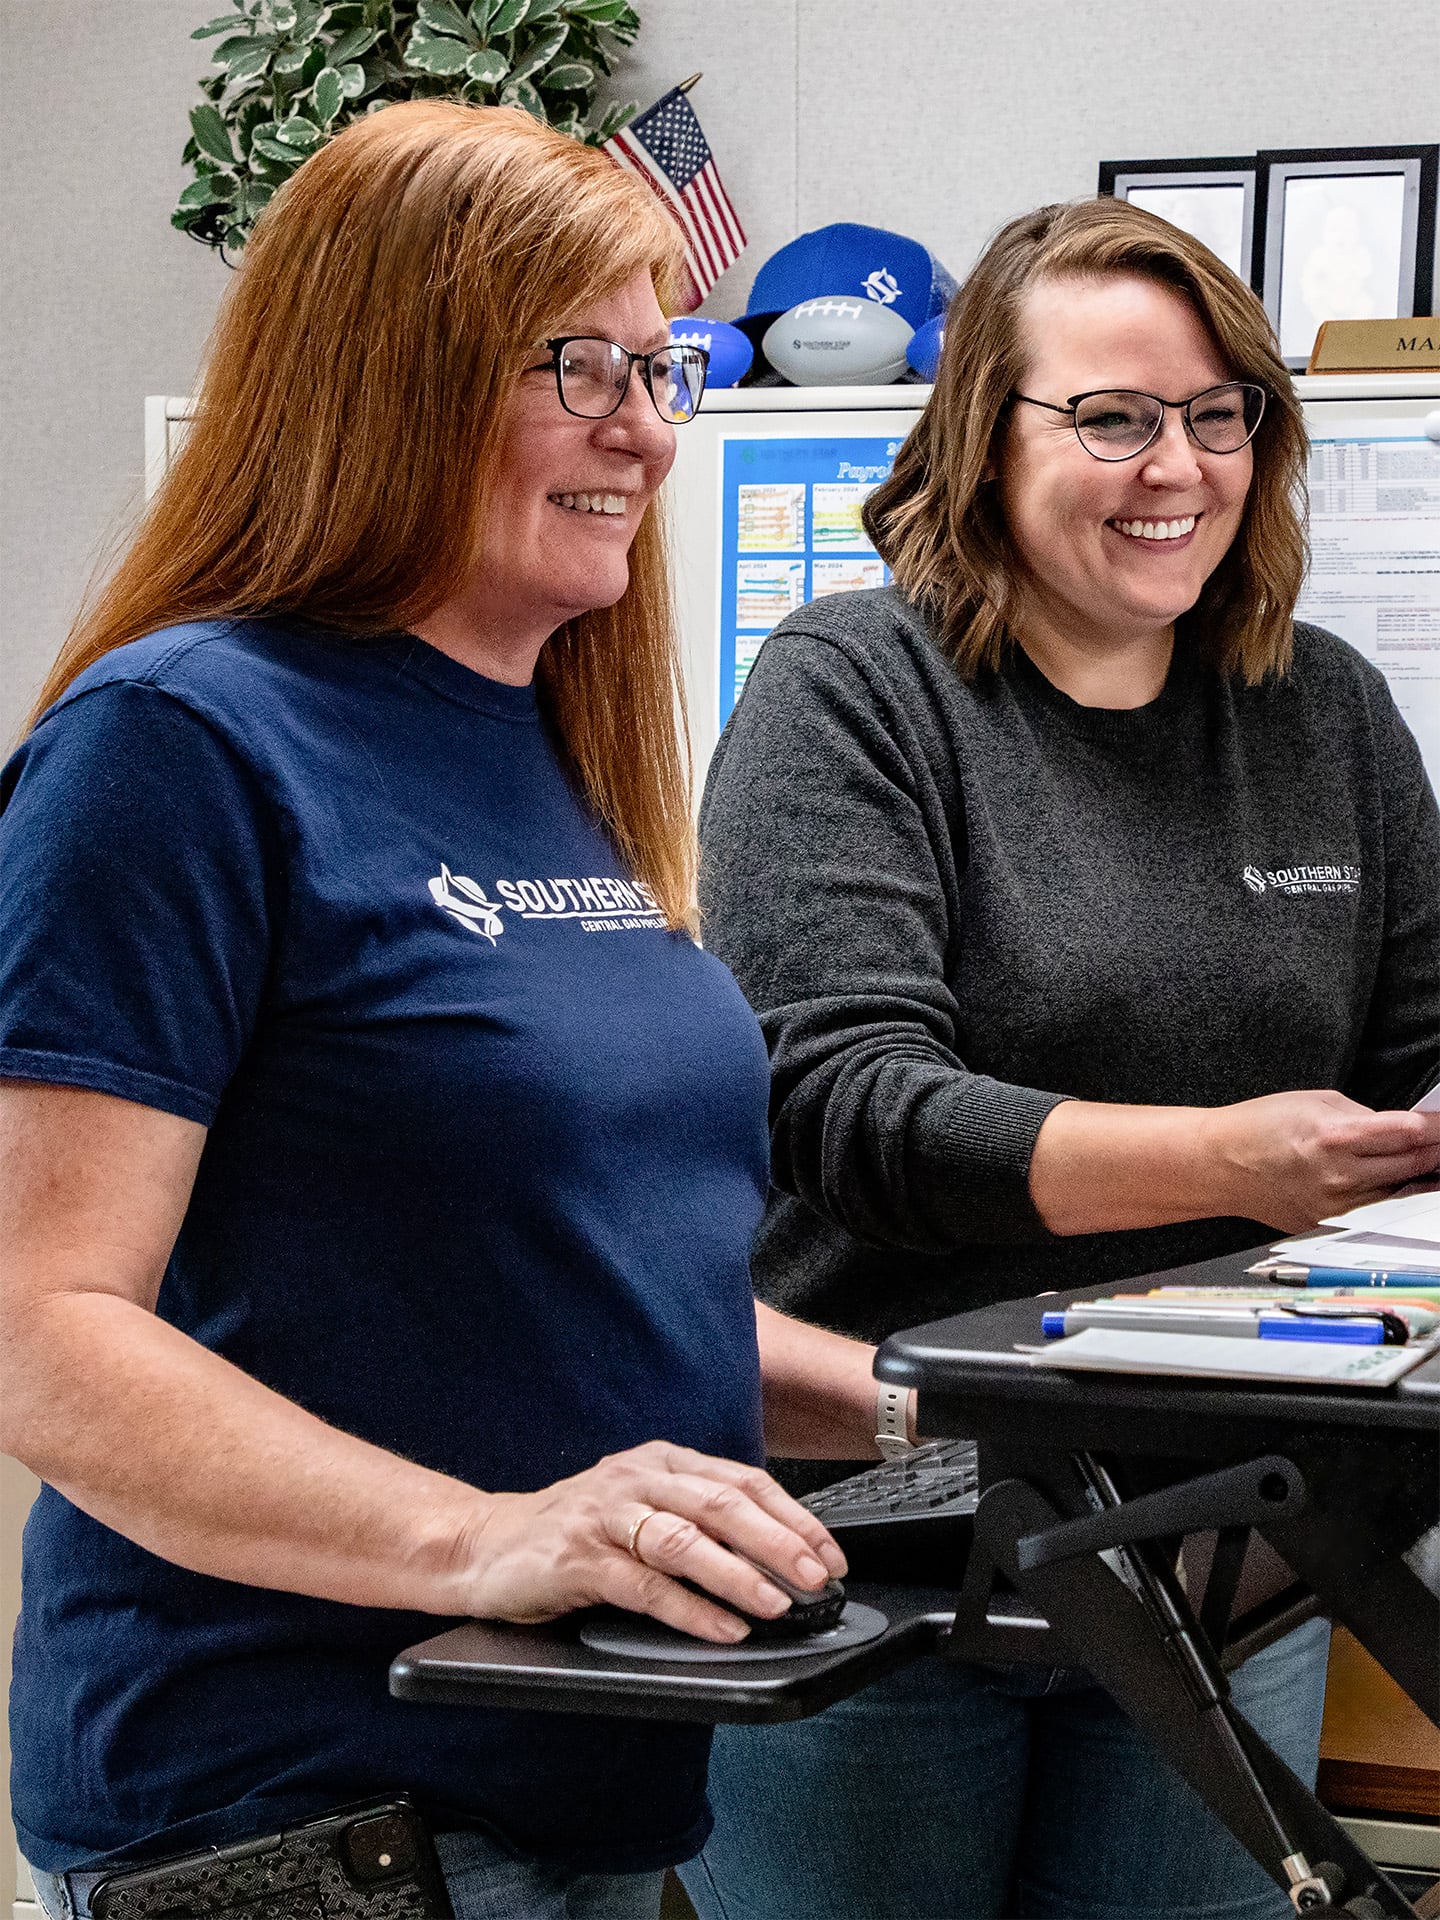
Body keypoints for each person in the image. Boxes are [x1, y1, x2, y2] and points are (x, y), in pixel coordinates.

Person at [0, 102, 892, 1920]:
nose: (646, 429)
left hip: (582, 1789)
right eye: (584, 366)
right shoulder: (179, 743)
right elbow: (43, 1325)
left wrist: (949, 1414)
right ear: (382, 376)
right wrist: (485, 1538)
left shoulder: (555, 748)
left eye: (666, 370)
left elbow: (580, 1283)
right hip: (309, 1811)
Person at [679, 198, 1440, 1920]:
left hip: (1235, 1549)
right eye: (1110, 417)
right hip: (876, 1542)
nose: (1173, 465)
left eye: (1215, 413)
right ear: (981, 438)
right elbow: (848, 1111)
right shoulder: (852, 691)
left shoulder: (1324, 710)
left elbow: (1420, 1062)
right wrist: (1228, 1162)